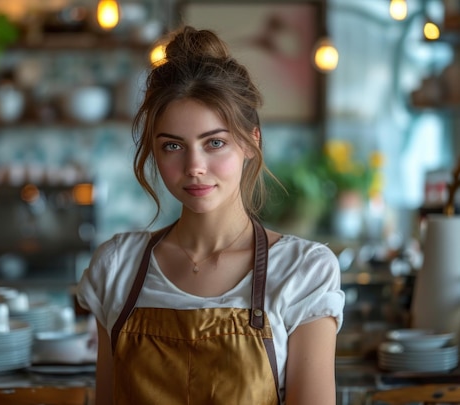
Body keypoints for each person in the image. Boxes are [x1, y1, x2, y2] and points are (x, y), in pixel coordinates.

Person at [76, 25, 345, 405]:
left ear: (251, 143)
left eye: (214, 142)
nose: (194, 166)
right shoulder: (117, 267)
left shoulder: (303, 272)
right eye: (172, 146)